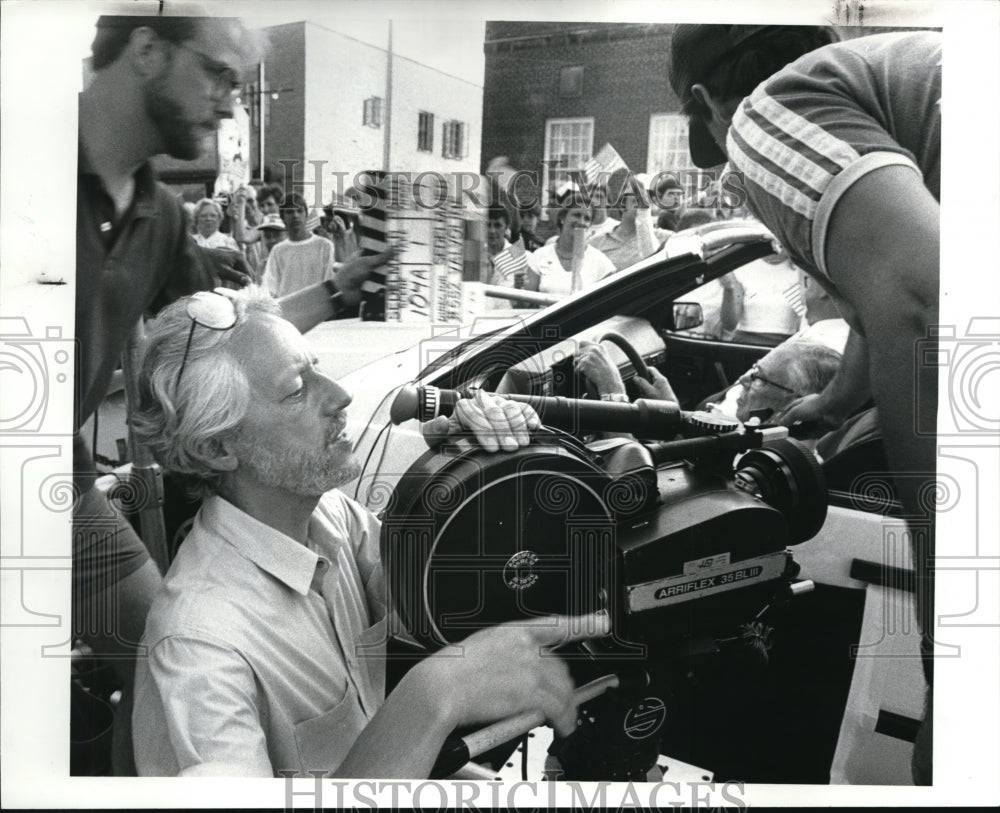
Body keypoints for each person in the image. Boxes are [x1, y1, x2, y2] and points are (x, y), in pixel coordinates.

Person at [74, 13, 390, 774]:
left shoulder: (162, 218)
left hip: (58, 489)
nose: (229, 103)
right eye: (216, 74)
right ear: (148, 51)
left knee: (157, 654)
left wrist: (337, 291)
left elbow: (228, 337)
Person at [130, 285, 608, 776]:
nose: (339, 395)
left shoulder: (331, 518)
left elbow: (443, 604)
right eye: (296, 390)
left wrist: (473, 471)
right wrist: (436, 692)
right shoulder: (200, 645)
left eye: (316, 367)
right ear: (216, 449)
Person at [667, 24, 940, 781]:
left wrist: (943, 624)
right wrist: (841, 392)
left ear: (702, 103)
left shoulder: (766, 111)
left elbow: (919, 303)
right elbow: (884, 301)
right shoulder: (888, 84)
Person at [576, 335, 841, 426]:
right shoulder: (770, 446)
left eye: (759, 379)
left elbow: (633, 486)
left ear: (796, 402)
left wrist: (612, 393)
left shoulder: (768, 461)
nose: (744, 379)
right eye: (752, 369)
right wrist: (672, 411)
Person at [524, 195, 615, 297]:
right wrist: (519, 287)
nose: (581, 222)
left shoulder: (600, 262)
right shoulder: (540, 255)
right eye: (576, 215)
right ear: (563, 217)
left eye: (587, 218)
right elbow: (526, 304)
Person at [718, 250, 803, 346]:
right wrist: (730, 288)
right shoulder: (743, 266)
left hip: (785, 347)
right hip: (746, 345)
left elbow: (807, 321)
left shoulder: (802, 268)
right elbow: (730, 324)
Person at [588, 174, 672, 271]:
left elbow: (653, 261)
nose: (641, 207)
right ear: (622, 203)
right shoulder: (596, 243)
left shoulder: (665, 238)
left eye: (647, 202)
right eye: (636, 201)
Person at [262, 192, 337, 298]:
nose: (295, 216)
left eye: (300, 211)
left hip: (317, 308)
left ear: (306, 215)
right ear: (283, 217)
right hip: (287, 310)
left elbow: (329, 283)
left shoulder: (324, 246)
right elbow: (270, 288)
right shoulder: (278, 250)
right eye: (290, 212)